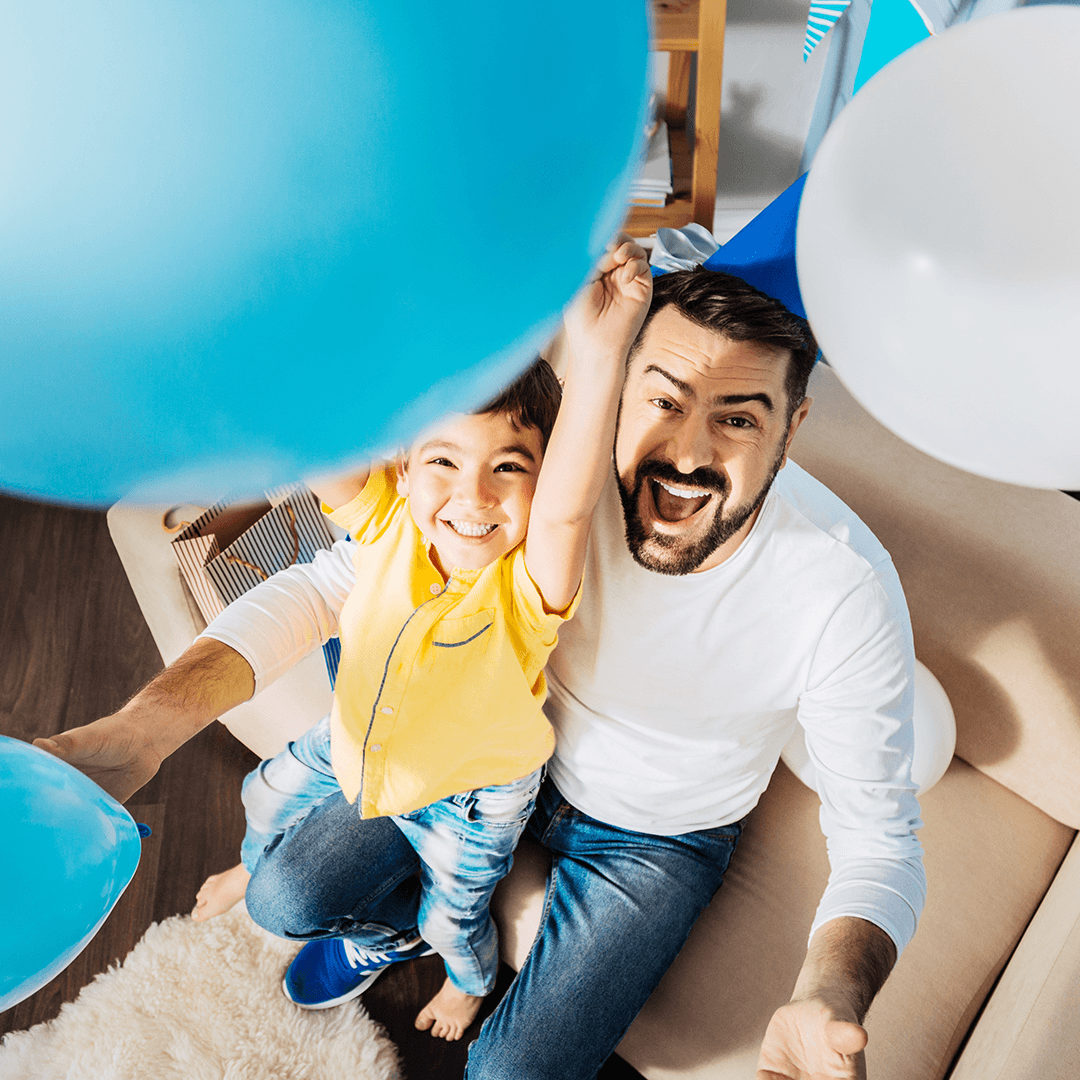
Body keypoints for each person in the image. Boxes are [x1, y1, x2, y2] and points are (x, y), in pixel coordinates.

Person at [38, 264, 925, 1080]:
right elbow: (339, 580)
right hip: (478, 745)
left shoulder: (843, 588)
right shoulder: (547, 471)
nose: (686, 455)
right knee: (283, 898)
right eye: (664, 399)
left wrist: (828, 994)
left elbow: (880, 839)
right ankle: (392, 932)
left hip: (652, 838)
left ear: (793, 424)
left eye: (737, 417)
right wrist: (138, 732)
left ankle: (453, 943)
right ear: (615, 389)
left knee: (510, 1073)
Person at [183, 240, 654, 1039]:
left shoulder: (526, 590)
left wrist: (602, 348)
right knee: (259, 799)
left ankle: (453, 975)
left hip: (469, 800)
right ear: (404, 468)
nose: (472, 495)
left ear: (539, 483)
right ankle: (258, 864)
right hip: (357, 744)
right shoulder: (389, 524)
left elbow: (570, 508)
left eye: (510, 466)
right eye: (444, 460)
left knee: (449, 922)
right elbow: (316, 444)